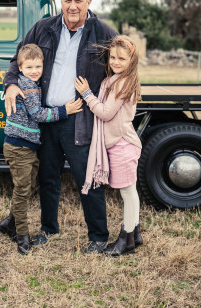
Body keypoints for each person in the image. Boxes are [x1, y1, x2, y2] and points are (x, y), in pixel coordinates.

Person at [3, 0, 117, 253]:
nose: (73, 6)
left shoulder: (103, 32)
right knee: (48, 177)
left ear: (89, 2)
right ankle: (49, 228)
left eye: (78, 0)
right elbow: (17, 59)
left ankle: (98, 236)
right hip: (45, 118)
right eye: (68, 0)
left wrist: (120, 98)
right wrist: (11, 85)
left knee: (86, 179)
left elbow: (124, 64)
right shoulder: (44, 28)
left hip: (79, 118)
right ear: (61, 3)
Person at [0, 44, 83, 255]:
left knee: (26, 188)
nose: (35, 71)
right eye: (29, 67)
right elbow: (38, 114)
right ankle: (22, 236)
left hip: (27, 146)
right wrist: (64, 110)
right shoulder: (27, 86)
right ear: (20, 67)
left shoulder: (32, 84)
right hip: (19, 147)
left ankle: (9, 223)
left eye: (38, 66)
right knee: (22, 191)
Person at [74, 35, 143, 257]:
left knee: (128, 193)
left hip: (123, 144)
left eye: (121, 58)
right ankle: (135, 234)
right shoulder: (112, 80)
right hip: (117, 144)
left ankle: (126, 240)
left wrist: (87, 95)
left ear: (131, 60)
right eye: (112, 57)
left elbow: (105, 113)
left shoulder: (123, 83)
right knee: (130, 191)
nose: (115, 62)